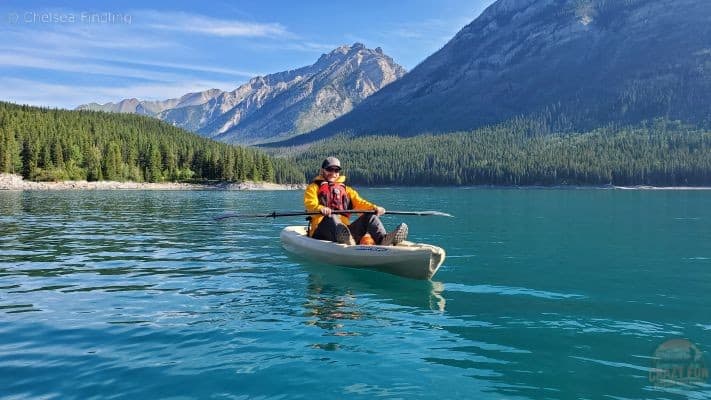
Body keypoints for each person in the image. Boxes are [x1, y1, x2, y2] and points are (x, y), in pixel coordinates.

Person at [304, 157, 408, 246]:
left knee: (370, 215)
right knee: (331, 217)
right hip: (321, 231)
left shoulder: (347, 190)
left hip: (344, 232)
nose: (333, 173)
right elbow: (310, 204)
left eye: (336, 170)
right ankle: (346, 240)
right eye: (330, 169)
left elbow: (360, 203)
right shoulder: (313, 187)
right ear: (323, 170)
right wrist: (321, 208)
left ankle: (383, 240)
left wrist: (374, 208)